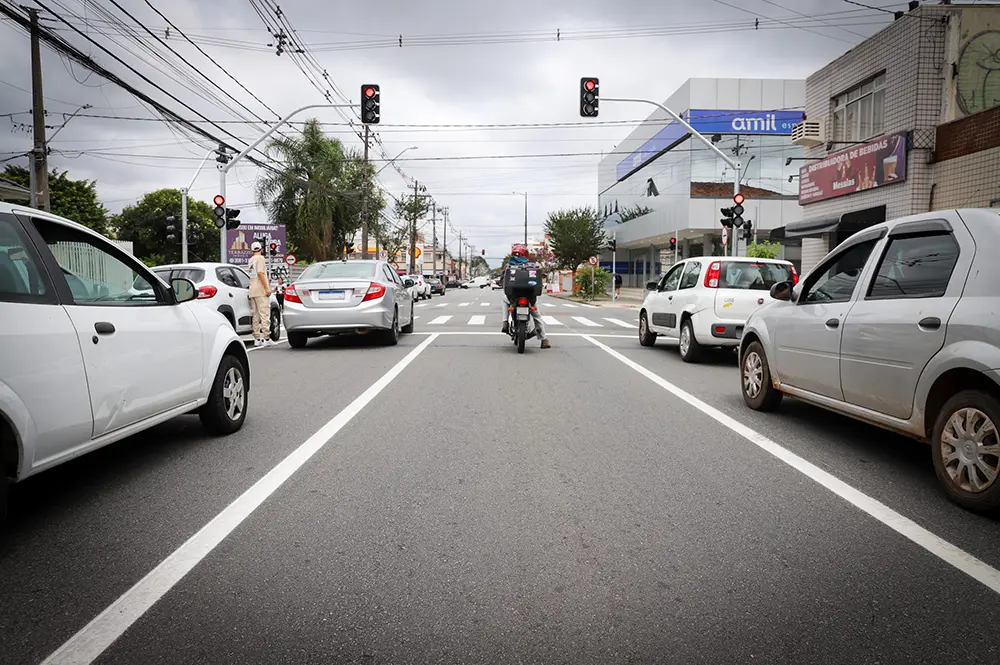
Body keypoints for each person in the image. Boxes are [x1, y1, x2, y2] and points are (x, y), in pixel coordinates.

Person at [500, 245, 551, 349]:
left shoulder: (508, 266)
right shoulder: (531, 265)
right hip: (530, 298)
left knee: (504, 301)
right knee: (537, 316)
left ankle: (505, 322)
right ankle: (544, 340)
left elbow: (502, 280)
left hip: (513, 297)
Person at [248, 241, 273, 347]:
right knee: (264, 314)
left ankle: (257, 338)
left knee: (255, 315)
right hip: (261, 290)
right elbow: (260, 273)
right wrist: (267, 288)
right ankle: (266, 338)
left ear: (252, 250)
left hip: (252, 290)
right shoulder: (261, 259)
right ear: (261, 249)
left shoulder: (251, 260)